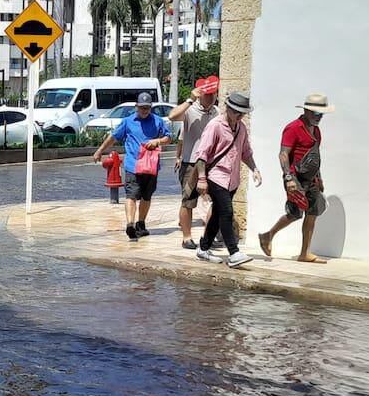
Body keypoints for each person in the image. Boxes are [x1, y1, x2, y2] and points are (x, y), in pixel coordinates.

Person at [258, 94, 335, 263]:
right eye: (316, 113)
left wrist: (319, 177)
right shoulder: (293, 128)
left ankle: (304, 253)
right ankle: (268, 235)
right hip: (295, 177)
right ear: (306, 111)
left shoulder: (316, 130)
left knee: (313, 212)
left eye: (321, 114)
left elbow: (315, 155)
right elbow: (283, 154)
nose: (319, 117)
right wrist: (288, 178)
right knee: (294, 213)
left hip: (312, 178)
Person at [191, 91, 262, 267]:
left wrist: (255, 169)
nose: (240, 116)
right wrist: (202, 179)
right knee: (227, 212)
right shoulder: (215, 126)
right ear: (227, 108)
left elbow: (246, 152)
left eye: (242, 113)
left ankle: (203, 248)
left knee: (217, 214)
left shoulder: (241, 128)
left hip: (232, 179)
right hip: (216, 176)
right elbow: (202, 155)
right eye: (237, 112)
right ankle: (234, 252)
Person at [93, 92, 172, 240]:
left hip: (151, 166)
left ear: (151, 107)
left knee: (146, 196)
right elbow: (113, 137)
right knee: (131, 195)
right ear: (136, 106)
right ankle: (130, 224)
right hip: (132, 166)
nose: (144, 110)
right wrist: (100, 151)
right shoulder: (128, 122)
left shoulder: (158, 121)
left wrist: (158, 141)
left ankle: (140, 224)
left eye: (147, 107)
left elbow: (169, 137)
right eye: (142, 107)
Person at [169, 76, 220, 249]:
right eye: (207, 94)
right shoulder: (190, 110)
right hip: (191, 162)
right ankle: (187, 237)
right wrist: (190, 99)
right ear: (200, 95)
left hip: (211, 163)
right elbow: (172, 116)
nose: (211, 97)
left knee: (216, 200)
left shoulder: (217, 112)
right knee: (188, 201)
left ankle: (208, 236)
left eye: (213, 94)